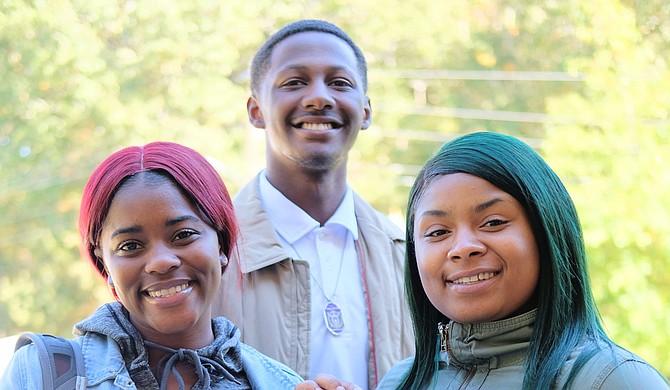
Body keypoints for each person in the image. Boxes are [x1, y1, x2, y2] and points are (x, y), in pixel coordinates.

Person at [298, 132, 670, 390]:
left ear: (548, 233)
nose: (462, 248)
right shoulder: (403, 381)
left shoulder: (611, 380)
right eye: (438, 232)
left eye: (493, 222)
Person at [1, 141, 302, 389]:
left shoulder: (281, 384)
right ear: (104, 264)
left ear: (222, 245)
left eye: (183, 235)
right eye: (130, 246)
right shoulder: (42, 375)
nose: (160, 262)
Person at [212, 19, 413, 390]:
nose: (319, 98)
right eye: (294, 82)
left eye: (339, 83)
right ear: (256, 110)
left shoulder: (408, 258)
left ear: (365, 110)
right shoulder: (212, 255)